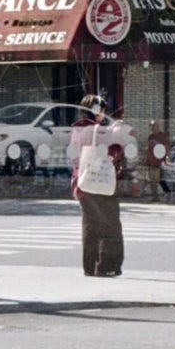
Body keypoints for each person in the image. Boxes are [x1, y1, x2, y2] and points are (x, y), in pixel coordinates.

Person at [69, 94, 127, 277]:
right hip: (99, 182)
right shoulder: (96, 131)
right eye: (101, 111)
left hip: (81, 182)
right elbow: (118, 143)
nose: (103, 115)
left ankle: (90, 266)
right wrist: (117, 128)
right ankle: (106, 266)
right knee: (110, 225)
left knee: (90, 226)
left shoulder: (76, 130)